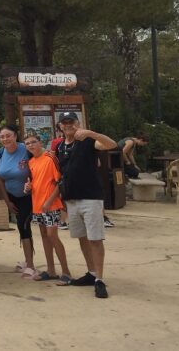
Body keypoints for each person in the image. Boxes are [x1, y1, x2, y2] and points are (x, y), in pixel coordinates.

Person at [55, 112, 116, 298]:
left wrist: (92, 133)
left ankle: (100, 279)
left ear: (78, 123)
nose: (68, 125)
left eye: (71, 122)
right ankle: (91, 273)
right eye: (64, 123)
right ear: (60, 126)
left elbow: (111, 144)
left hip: (90, 198)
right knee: (82, 237)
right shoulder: (59, 147)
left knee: (95, 239)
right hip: (72, 200)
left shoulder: (88, 141)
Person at [23, 133, 71, 283]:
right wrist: (27, 188)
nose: (31, 145)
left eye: (33, 142)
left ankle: (66, 272)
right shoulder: (31, 162)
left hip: (50, 205)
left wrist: (49, 201)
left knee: (52, 236)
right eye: (28, 143)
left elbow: (60, 181)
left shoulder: (50, 158)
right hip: (37, 206)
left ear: (40, 142)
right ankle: (51, 270)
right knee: (44, 236)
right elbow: (33, 183)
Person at [0, 125, 35, 277]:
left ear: (15, 136)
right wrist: (7, 201)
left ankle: (30, 265)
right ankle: (27, 260)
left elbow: (38, 165)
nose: (5, 139)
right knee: (22, 227)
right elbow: (0, 179)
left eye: (8, 135)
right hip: (12, 197)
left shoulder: (26, 149)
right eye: (2, 137)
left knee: (24, 225)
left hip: (29, 196)